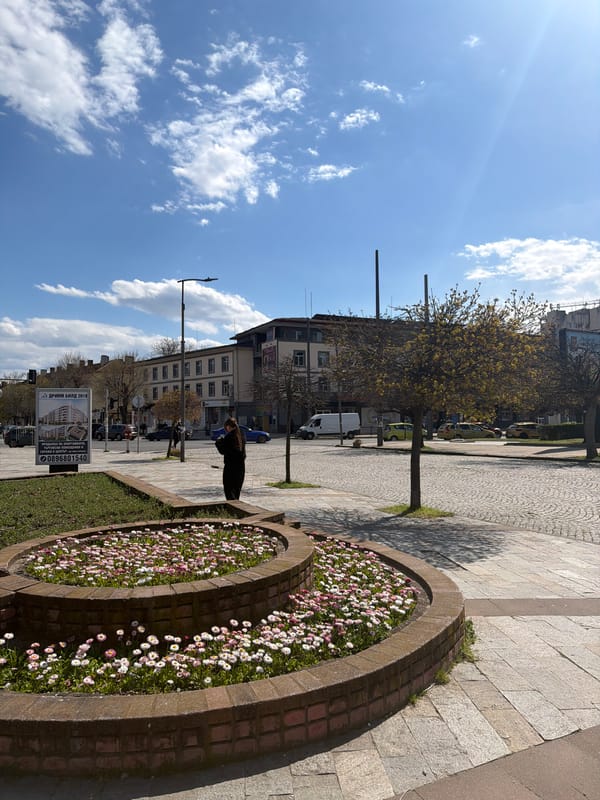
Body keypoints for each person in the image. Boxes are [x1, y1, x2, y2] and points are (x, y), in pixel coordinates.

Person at [214, 417, 246, 500]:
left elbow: (223, 451)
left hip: (230, 467)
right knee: (236, 490)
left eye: (226, 428)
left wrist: (218, 442)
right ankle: (238, 508)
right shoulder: (241, 435)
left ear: (228, 426)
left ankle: (232, 509)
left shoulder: (229, 437)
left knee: (229, 490)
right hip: (241, 467)